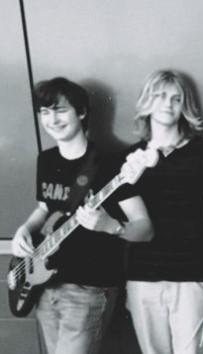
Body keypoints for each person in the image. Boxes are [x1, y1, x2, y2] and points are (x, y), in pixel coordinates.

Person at [11, 77, 153, 354]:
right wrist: (24, 230)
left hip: (88, 288)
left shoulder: (111, 166)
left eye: (60, 110)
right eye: (45, 112)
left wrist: (110, 226)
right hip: (45, 285)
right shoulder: (47, 160)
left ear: (82, 112)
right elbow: (45, 208)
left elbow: (145, 228)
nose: (52, 119)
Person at [122, 70, 203, 354]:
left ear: (185, 106)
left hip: (192, 275)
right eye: (161, 96)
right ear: (147, 101)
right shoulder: (130, 158)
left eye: (177, 99)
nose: (168, 104)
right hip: (143, 275)